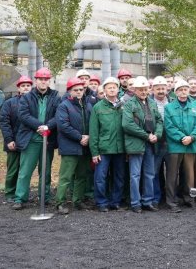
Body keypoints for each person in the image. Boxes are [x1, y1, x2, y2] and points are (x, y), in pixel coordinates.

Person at [12, 67, 61, 210]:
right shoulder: (27, 97)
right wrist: (40, 126)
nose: (43, 81)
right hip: (31, 139)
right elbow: (23, 115)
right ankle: (20, 198)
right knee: (25, 171)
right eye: (41, 79)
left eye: (46, 79)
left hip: (48, 140)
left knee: (45, 171)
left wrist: (48, 127)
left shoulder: (55, 97)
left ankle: (44, 197)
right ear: (36, 80)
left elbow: (59, 116)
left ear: (49, 80)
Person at [122, 76, 163, 213]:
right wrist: (147, 136)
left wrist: (157, 134)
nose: (143, 92)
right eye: (140, 89)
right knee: (135, 175)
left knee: (150, 173)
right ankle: (135, 203)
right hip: (136, 143)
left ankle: (148, 201)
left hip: (151, 143)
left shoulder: (152, 103)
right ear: (134, 90)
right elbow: (127, 124)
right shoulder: (129, 104)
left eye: (145, 89)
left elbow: (159, 121)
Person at [55, 78, 93, 215]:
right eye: (75, 90)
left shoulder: (87, 105)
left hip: (85, 146)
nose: (78, 92)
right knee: (66, 176)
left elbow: (92, 123)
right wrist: (80, 137)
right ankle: (60, 202)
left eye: (81, 89)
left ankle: (78, 200)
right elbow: (63, 126)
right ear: (70, 91)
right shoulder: (64, 106)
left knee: (81, 176)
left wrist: (88, 136)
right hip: (70, 146)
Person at [164, 80, 196, 213]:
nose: (183, 91)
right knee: (172, 175)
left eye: (185, 89)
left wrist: (191, 137)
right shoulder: (169, 107)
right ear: (176, 92)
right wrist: (182, 138)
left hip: (190, 145)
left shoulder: (195, 107)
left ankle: (189, 199)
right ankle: (171, 201)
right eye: (180, 89)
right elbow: (169, 127)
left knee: (189, 175)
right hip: (175, 146)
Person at [89, 77, 125, 212]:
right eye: (109, 87)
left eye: (114, 87)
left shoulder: (123, 106)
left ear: (118, 89)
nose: (112, 89)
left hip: (120, 148)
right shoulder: (98, 107)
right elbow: (93, 131)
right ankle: (102, 202)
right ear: (104, 90)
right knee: (100, 177)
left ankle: (116, 201)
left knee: (119, 177)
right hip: (103, 149)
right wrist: (94, 152)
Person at [0, 75, 33, 203]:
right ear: (18, 88)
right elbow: (4, 122)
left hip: (28, 142)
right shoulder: (10, 103)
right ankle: (10, 193)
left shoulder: (33, 103)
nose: (26, 88)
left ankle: (22, 193)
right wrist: (9, 140)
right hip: (13, 142)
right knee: (13, 169)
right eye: (23, 86)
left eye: (28, 86)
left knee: (25, 170)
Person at [150, 76, 171, 207]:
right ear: (153, 89)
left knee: (171, 172)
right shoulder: (148, 102)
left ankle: (170, 197)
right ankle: (156, 198)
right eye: (158, 88)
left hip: (170, 142)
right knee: (154, 172)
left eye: (163, 88)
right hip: (155, 143)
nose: (161, 91)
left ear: (167, 89)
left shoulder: (172, 101)